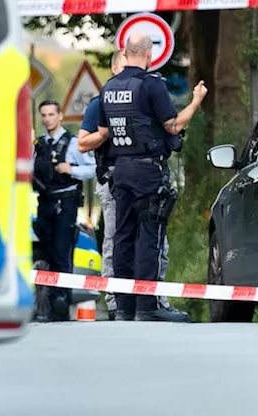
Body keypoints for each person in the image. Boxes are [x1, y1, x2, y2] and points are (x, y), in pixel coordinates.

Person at [88, 33, 206, 322]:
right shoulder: (151, 85)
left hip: (120, 171)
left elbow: (103, 132)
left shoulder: (109, 88)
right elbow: (173, 126)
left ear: (126, 54)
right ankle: (148, 304)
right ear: (149, 54)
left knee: (122, 238)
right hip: (147, 170)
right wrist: (196, 101)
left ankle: (124, 307)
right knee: (149, 237)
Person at [78, 50, 183, 319]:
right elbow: (84, 141)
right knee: (123, 239)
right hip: (118, 175)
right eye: (124, 68)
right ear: (114, 69)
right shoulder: (100, 102)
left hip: (127, 174)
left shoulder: (137, 95)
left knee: (141, 240)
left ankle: (136, 303)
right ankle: (122, 303)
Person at [31, 99, 97, 322]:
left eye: (51, 114)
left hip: (65, 204)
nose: (47, 119)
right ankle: (48, 306)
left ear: (60, 116)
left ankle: (61, 302)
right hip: (45, 202)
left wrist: (72, 169)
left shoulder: (72, 143)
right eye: (44, 115)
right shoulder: (39, 145)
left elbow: (93, 169)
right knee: (47, 253)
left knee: (61, 253)